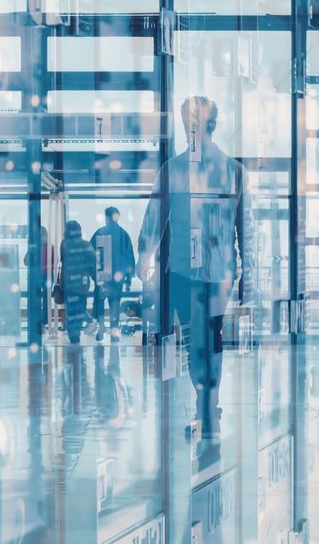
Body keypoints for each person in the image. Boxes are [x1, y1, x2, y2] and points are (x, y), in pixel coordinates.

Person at [138, 96, 254, 443]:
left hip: (198, 272)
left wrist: (145, 256)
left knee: (198, 342)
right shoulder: (225, 170)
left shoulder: (181, 169)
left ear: (207, 125)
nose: (188, 127)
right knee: (207, 341)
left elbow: (243, 226)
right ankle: (209, 410)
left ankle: (207, 411)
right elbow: (245, 228)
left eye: (192, 121)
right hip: (212, 271)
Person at [90, 207, 136, 342]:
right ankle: (114, 332)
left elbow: (91, 253)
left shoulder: (100, 233)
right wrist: (129, 278)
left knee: (99, 301)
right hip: (118, 275)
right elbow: (130, 258)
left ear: (106, 217)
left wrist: (92, 274)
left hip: (103, 273)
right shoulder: (124, 235)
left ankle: (101, 327)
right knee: (115, 302)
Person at [59, 221, 96, 344]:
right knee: (80, 308)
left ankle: (72, 335)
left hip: (68, 284)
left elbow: (63, 263)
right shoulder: (87, 245)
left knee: (70, 309)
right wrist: (96, 278)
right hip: (82, 284)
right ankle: (76, 333)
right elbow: (92, 264)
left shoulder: (64, 244)